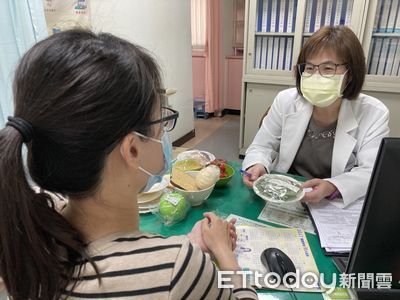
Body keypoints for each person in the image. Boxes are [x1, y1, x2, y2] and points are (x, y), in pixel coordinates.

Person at [0, 30, 258, 299]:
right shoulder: (177, 269)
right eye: (161, 122)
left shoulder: (32, 221)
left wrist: (185, 245)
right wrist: (225, 255)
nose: (164, 134)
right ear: (132, 149)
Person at [242, 26, 389, 208]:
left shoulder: (373, 113)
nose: (316, 76)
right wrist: (257, 165)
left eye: (328, 68)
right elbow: (262, 145)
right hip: (286, 195)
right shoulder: (286, 100)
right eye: (309, 68)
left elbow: (371, 171)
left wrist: (332, 186)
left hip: (333, 203)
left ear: (350, 74)